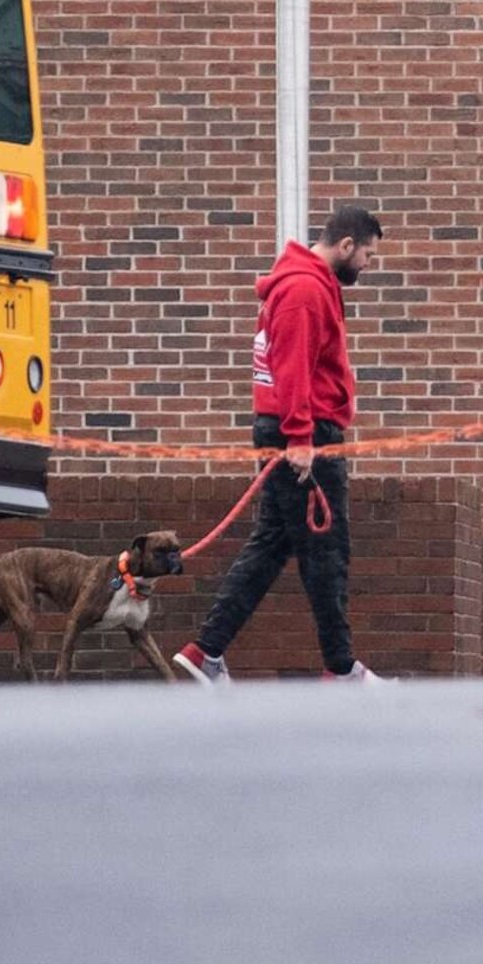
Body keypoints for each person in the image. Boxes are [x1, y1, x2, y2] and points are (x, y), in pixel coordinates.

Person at [171, 204, 385, 686]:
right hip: (304, 437)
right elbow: (292, 369)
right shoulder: (305, 291)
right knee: (328, 550)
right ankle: (341, 666)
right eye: (367, 255)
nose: (368, 266)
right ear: (346, 245)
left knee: (272, 545)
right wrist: (301, 439)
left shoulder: (305, 285)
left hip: (293, 432)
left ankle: (206, 651)